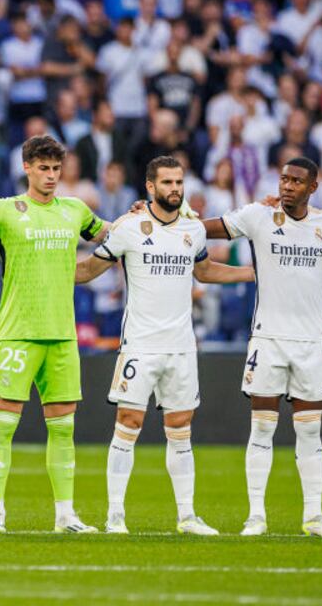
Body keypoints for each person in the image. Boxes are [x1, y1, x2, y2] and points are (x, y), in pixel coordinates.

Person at [75, 155, 254, 536]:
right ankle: (115, 517)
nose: (175, 188)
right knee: (128, 423)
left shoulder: (193, 229)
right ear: (150, 188)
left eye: (179, 182)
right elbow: (91, 269)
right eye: (167, 183)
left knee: (180, 427)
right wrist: (44, 270)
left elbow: (204, 271)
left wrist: (253, 273)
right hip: (140, 344)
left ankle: (187, 516)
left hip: (182, 346)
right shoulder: (129, 227)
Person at [208, 157, 322, 537]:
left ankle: (314, 517)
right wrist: (161, 215)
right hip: (268, 339)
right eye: (283, 179)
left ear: (313, 186)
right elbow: (201, 230)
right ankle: (256, 517)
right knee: (262, 428)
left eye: (297, 181)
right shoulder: (257, 216)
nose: (287, 186)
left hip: (311, 343)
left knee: (310, 432)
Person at [0, 135, 110, 534]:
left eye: (56, 169)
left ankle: (66, 515)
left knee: (63, 427)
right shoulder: (3, 211)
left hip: (62, 335)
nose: (50, 176)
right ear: (26, 167)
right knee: (3, 425)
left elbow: (108, 236)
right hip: (18, 334)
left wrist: (139, 220)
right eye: (43, 168)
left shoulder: (75, 210)